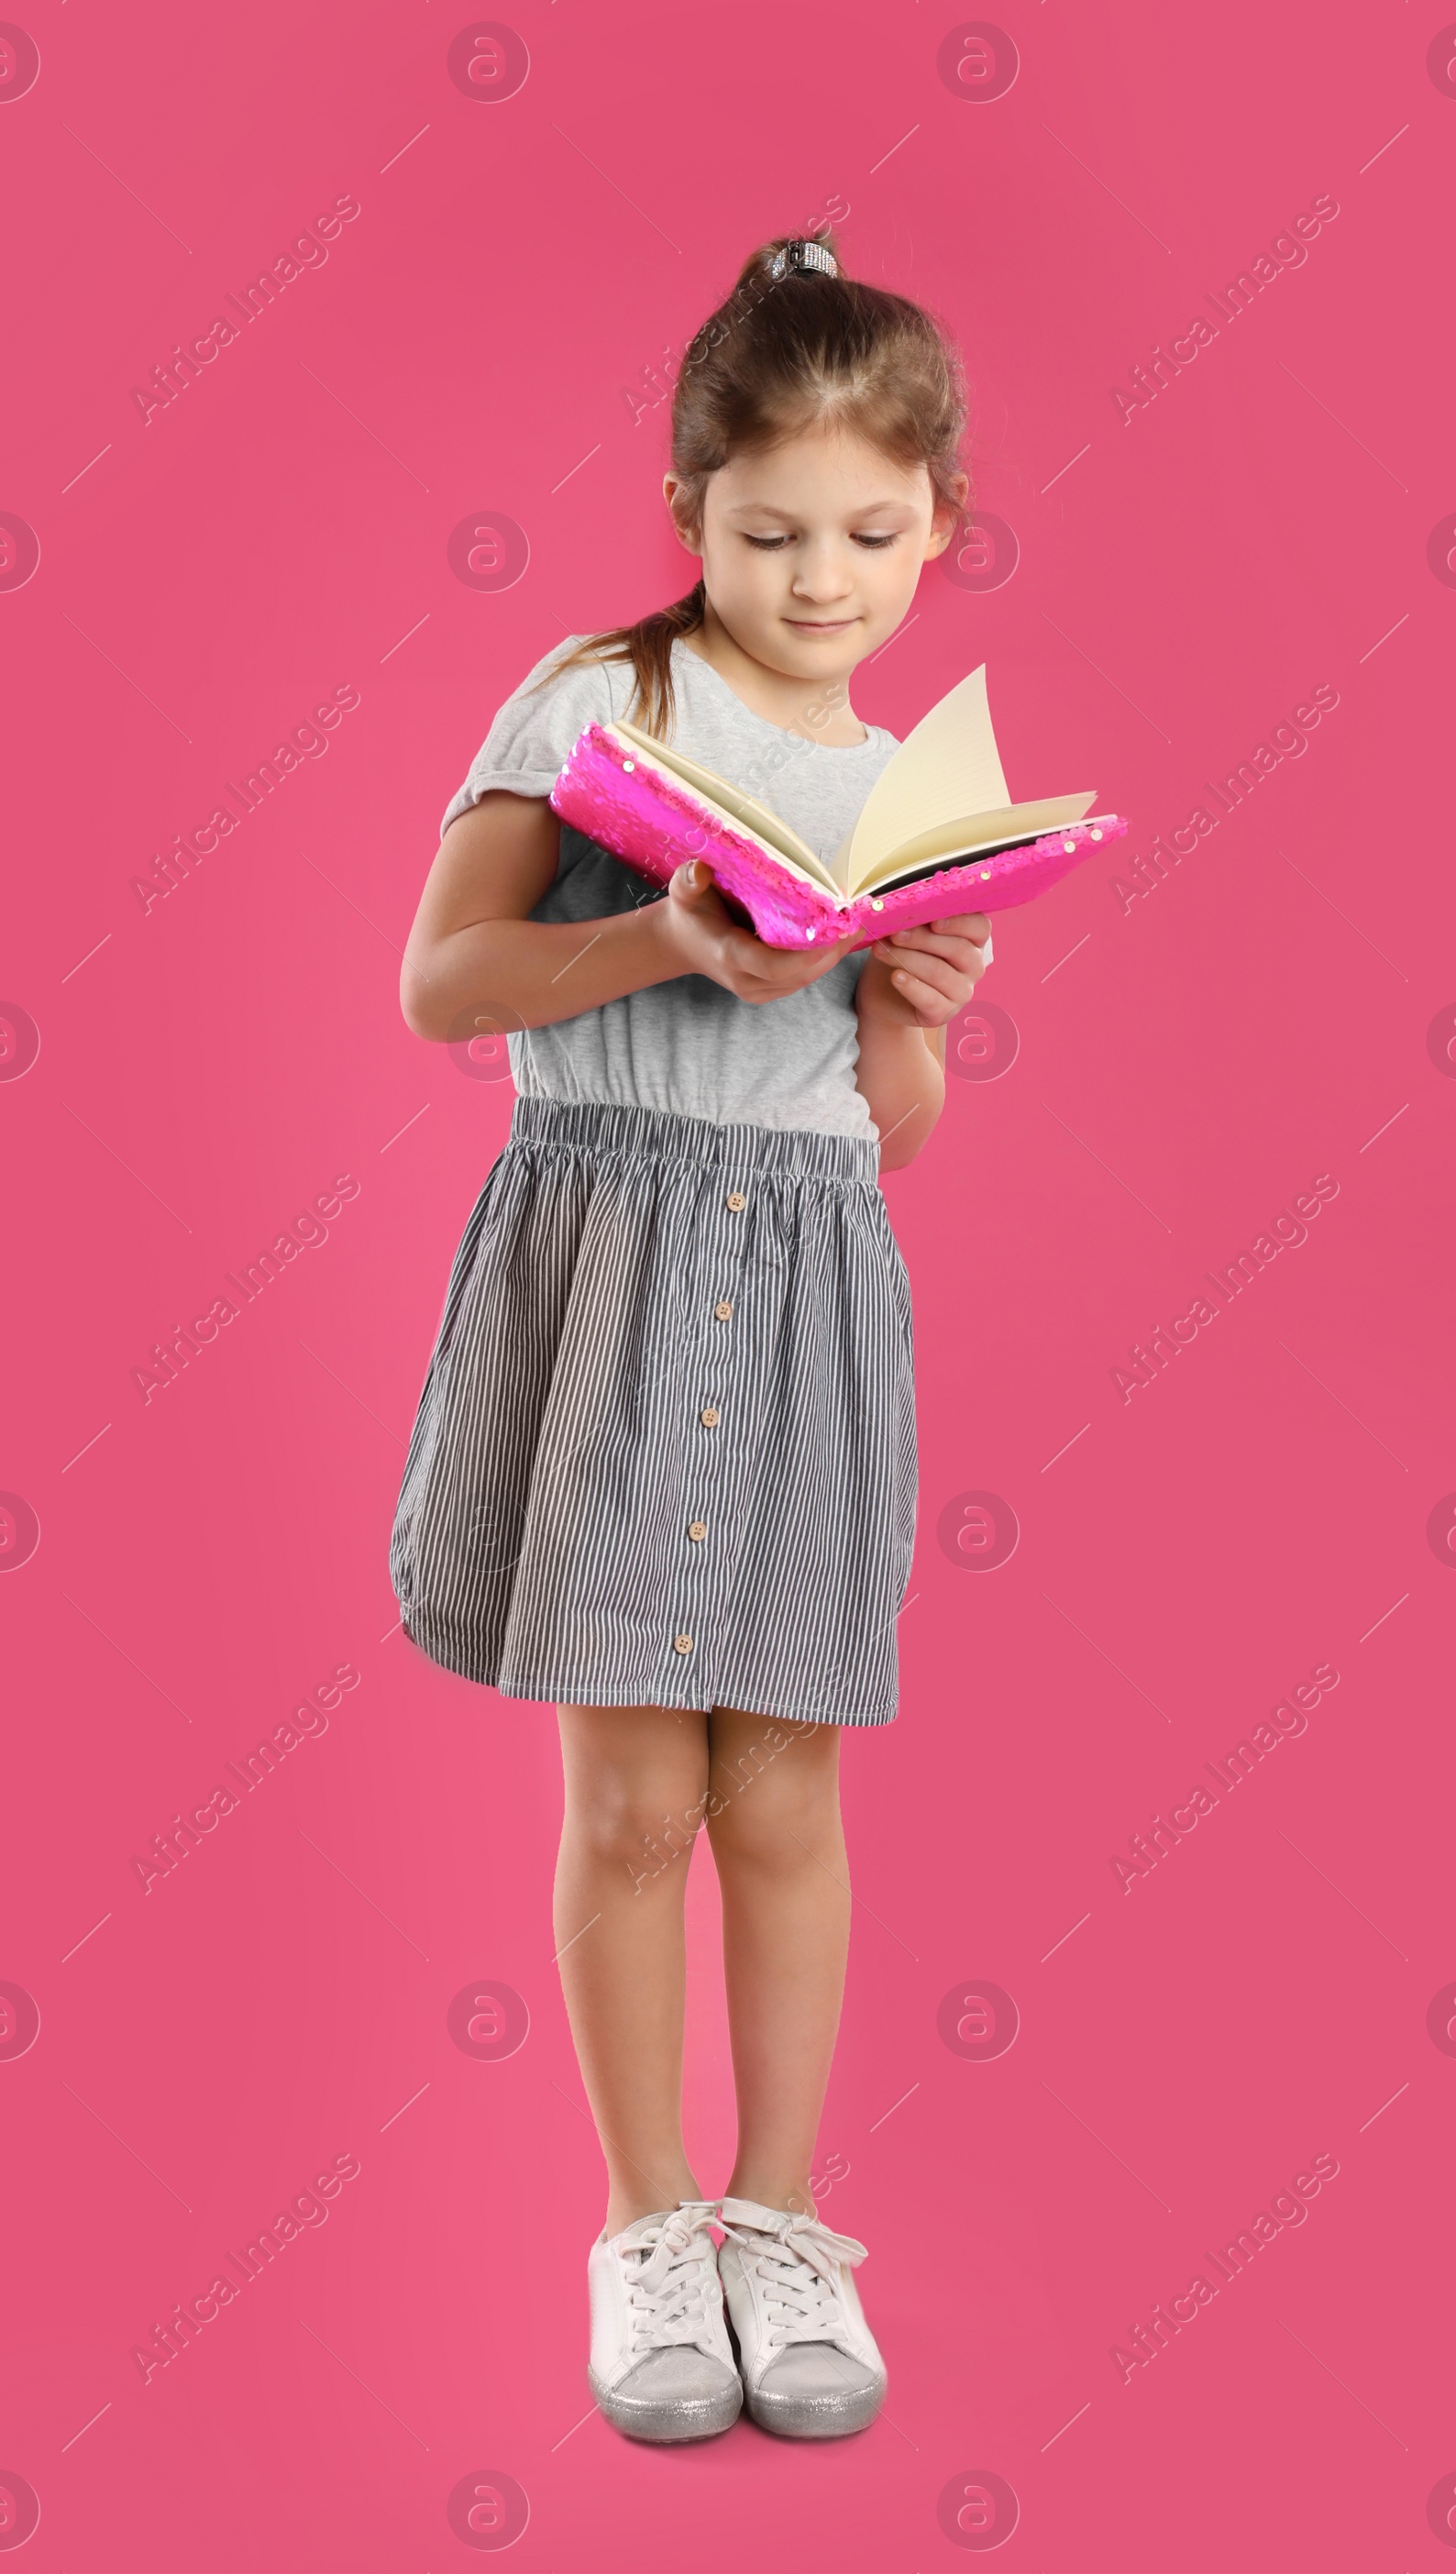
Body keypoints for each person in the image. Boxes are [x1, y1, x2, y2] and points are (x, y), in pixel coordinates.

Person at [392, 232, 990, 2444]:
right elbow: (443, 990)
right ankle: (644, 2234)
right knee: (636, 1795)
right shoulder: (598, 707)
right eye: (763, 531)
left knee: (784, 1787)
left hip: (815, 1280)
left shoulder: (917, 793)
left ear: (935, 520)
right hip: (615, 1266)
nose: (815, 577)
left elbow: (882, 1135)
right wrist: (654, 938)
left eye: (864, 532)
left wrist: (913, 1020)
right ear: (687, 510)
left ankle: (777, 2218)